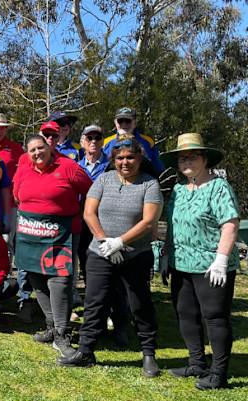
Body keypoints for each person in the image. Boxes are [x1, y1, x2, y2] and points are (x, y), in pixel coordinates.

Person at [57, 138, 163, 378]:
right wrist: (106, 242)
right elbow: (89, 212)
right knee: (95, 302)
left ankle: (148, 354)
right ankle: (85, 351)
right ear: (113, 160)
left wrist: (121, 242)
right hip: (100, 252)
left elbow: (148, 222)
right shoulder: (103, 180)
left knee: (139, 303)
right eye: (120, 158)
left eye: (130, 157)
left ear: (140, 159)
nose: (125, 162)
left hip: (136, 254)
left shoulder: (150, 184)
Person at [160, 133, 239, 390]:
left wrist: (221, 260)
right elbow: (171, 225)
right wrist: (165, 255)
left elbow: (230, 225)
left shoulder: (219, 187)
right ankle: (196, 363)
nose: (187, 161)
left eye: (192, 156)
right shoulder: (179, 190)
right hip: (181, 263)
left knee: (215, 316)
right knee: (186, 314)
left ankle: (219, 372)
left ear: (205, 159)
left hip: (211, 265)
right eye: (182, 158)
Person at [12, 135, 92, 358]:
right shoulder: (24, 166)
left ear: (49, 147)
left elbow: (91, 192)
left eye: (41, 148)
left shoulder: (68, 166)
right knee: (35, 276)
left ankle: (62, 333)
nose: (37, 153)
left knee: (60, 280)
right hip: (31, 230)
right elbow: (16, 194)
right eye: (32, 150)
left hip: (62, 232)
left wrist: (80, 214)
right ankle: (52, 326)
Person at [76, 124, 128, 345]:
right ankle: (95, 323)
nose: (94, 141)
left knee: (117, 280)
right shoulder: (75, 167)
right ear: (82, 142)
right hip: (83, 229)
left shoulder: (112, 167)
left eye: (98, 137)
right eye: (89, 137)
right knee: (91, 279)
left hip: (109, 229)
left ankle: (119, 326)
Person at [0, 113, 30, 323]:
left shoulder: (17, 149)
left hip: (10, 206)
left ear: (6, 130)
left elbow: (25, 174)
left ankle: (22, 296)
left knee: (14, 248)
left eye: (1, 128)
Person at [102, 107, 164, 174]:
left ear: (135, 122)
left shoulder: (148, 142)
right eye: (120, 121)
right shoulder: (105, 143)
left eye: (128, 121)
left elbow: (157, 169)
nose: (124, 124)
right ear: (115, 122)